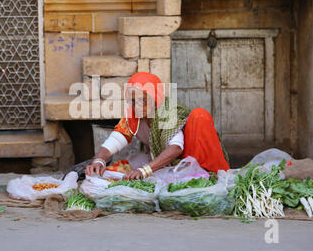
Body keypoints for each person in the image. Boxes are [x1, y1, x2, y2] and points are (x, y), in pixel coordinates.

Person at [85, 72, 230, 180]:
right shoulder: (133, 116)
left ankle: (211, 175)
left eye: (144, 100)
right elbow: (116, 139)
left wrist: (145, 170)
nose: (138, 105)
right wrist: (99, 160)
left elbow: (176, 147)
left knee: (199, 116)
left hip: (184, 160)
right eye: (134, 101)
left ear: (156, 98)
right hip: (162, 162)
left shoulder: (166, 111)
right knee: (118, 171)